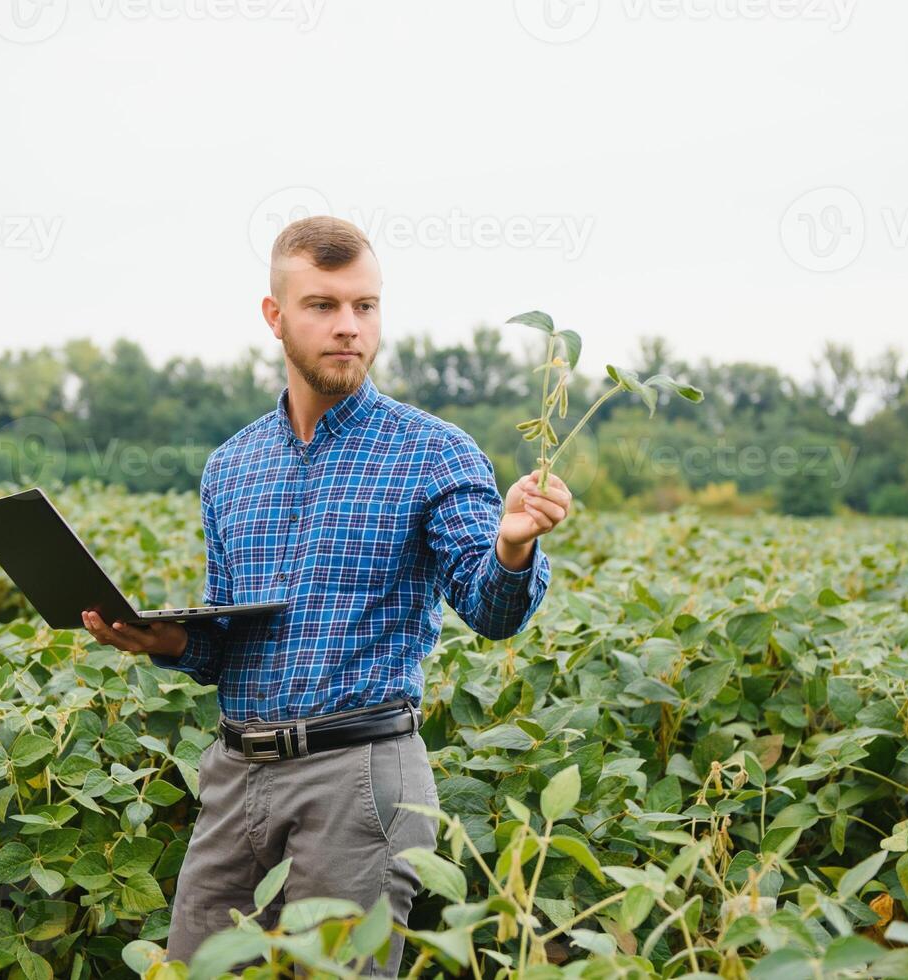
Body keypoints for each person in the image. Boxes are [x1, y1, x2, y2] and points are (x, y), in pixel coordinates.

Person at [81, 215, 572, 976]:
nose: (349, 327)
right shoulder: (232, 465)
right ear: (275, 317)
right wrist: (165, 639)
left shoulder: (432, 450)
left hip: (359, 776)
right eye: (323, 306)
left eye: (364, 306)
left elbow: (491, 608)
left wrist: (512, 544)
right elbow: (225, 643)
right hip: (235, 774)